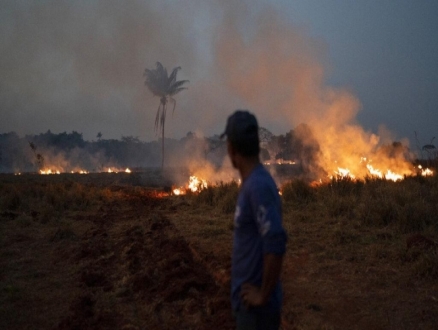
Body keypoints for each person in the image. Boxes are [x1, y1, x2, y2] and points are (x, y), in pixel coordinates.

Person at [220, 110, 288, 330]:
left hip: (258, 313)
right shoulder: (253, 183)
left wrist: (263, 294)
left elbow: (275, 240)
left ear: (231, 148)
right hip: (249, 308)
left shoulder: (257, 186)